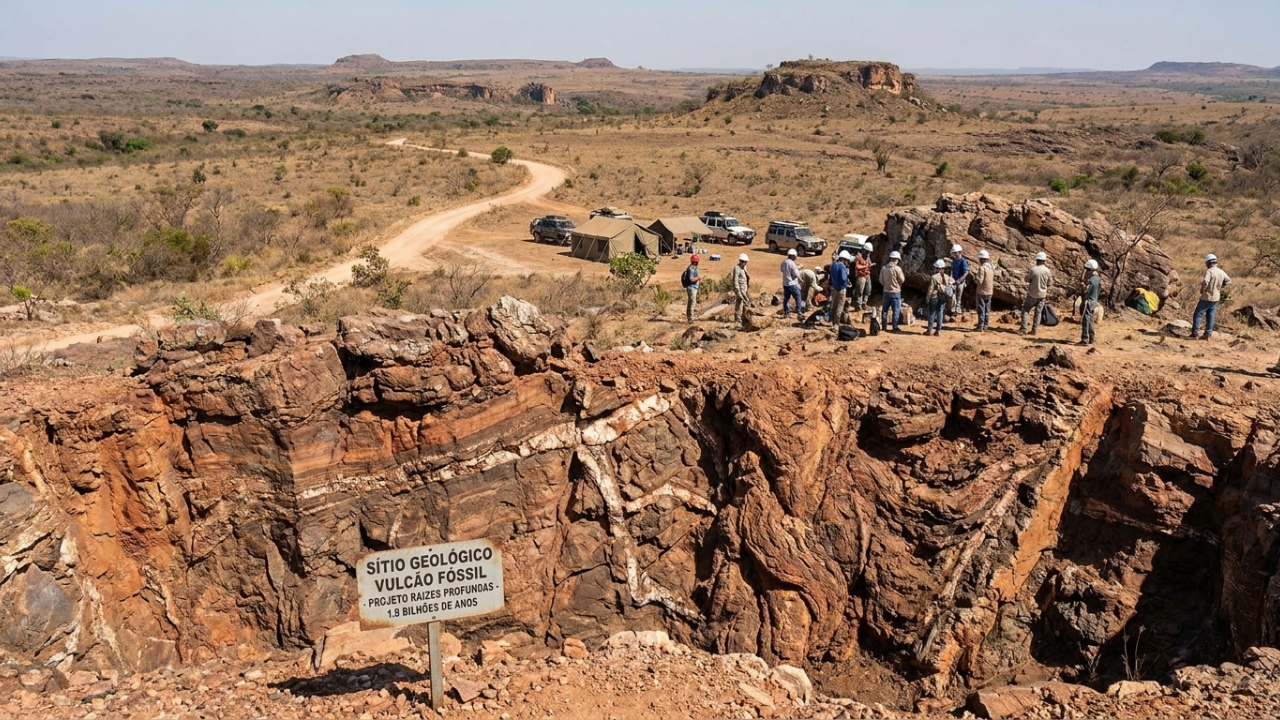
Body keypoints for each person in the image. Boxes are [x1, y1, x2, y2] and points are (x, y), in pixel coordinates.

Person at [1192, 253, 1231, 340]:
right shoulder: (1221, 272)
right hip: (1216, 297)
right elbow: (1228, 281)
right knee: (1211, 315)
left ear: (1208, 263)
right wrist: (1221, 286)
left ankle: (1195, 333)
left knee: (1198, 314)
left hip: (1207, 296)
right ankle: (1208, 334)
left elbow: (1205, 282)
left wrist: (1202, 290)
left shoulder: (1209, 271)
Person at [1020, 252, 1053, 335]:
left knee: (1025, 310)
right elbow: (1049, 283)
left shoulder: (1033, 269)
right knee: (1038, 312)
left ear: (1037, 260)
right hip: (1042, 295)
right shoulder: (1047, 270)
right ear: (1044, 261)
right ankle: (1034, 330)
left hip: (1032, 294)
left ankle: (1023, 329)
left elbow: (1026, 279)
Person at [879, 251, 906, 332]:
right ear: (896, 259)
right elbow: (902, 280)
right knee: (896, 311)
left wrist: (886, 285)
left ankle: (884, 326)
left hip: (886, 291)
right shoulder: (898, 269)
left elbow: (881, 280)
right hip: (895, 292)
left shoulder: (884, 268)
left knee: (885, 310)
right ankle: (895, 327)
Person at [1079, 258, 1101, 345]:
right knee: (1090, 319)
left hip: (1089, 301)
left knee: (1086, 319)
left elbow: (1085, 290)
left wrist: (1082, 285)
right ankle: (1092, 337)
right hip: (1094, 300)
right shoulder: (1098, 279)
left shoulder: (1090, 280)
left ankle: (1085, 339)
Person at [973, 250, 995, 332]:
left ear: (982, 259)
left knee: (981, 309)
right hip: (989, 292)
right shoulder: (991, 267)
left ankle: (980, 326)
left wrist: (975, 278)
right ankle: (986, 325)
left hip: (981, 292)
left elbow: (980, 281)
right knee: (987, 309)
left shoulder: (982, 268)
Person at [828, 250, 851, 325]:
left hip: (834, 289)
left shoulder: (834, 265)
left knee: (834, 305)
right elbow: (843, 278)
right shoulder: (842, 266)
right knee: (839, 307)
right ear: (845, 259)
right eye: (847, 261)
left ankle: (830, 320)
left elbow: (830, 277)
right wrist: (846, 284)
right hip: (841, 289)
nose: (847, 263)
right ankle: (836, 324)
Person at [926, 258, 948, 336]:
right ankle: (938, 330)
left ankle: (929, 330)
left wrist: (928, 297)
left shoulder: (934, 277)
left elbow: (930, 289)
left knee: (931, 312)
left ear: (937, 268)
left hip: (934, 297)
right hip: (943, 297)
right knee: (940, 312)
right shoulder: (947, 277)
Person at [780, 249, 803, 319]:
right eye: (795, 256)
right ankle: (799, 312)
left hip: (785, 283)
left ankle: (786, 313)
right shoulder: (792, 263)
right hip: (792, 284)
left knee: (786, 298)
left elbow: (781, 270)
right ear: (793, 256)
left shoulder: (784, 262)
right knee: (798, 297)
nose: (796, 258)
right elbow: (796, 274)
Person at [949, 244, 969, 315]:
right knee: (953, 296)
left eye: (955, 253)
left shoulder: (963, 261)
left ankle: (958, 309)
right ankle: (954, 309)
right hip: (955, 281)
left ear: (959, 252)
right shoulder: (954, 261)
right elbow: (952, 271)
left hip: (960, 282)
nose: (954, 254)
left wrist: (960, 280)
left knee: (959, 296)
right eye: (953, 253)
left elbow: (966, 272)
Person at [732, 253, 752, 323]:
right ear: (740, 261)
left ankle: (743, 317)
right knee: (744, 302)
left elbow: (746, 277)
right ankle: (738, 317)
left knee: (743, 302)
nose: (744, 264)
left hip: (744, 288)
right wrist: (738, 291)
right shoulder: (737, 268)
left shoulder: (744, 268)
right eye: (743, 262)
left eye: (745, 262)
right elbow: (735, 281)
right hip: (739, 289)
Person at [853, 242, 873, 311]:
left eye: (869, 252)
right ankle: (858, 305)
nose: (868, 253)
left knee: (868, 290)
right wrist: (866, 266)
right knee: (859, 291)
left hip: (867, 275)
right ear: (864, 250)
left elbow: (869, 263)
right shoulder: (858, 256)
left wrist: (870, 265)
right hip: (861, 276)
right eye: (867, 252)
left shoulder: (868, 257)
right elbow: (857, 266)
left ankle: (864, 303)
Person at [681, 254, 700, 323]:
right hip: (692, 288)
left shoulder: (693, 268)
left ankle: (690, 317)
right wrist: (699, 278)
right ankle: (690, 318)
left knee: (691, 302)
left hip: (692, 287)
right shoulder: (691, 269)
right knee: (692, 302)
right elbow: (691, 279)